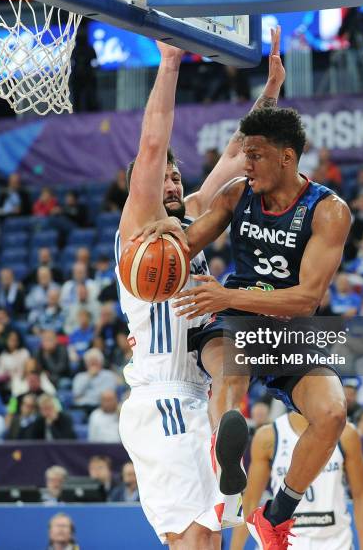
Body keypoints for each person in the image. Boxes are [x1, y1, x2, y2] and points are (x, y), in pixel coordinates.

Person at [137, 100, 353, 546]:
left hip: (286, 322)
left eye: (254, 154)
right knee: (230, 379)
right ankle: (227, 485)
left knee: (332, 414)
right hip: (233, 319)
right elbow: (189, 240)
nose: (246, 162)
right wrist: (160, 235)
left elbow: (307, 299)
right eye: (246, 154)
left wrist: (227, 294)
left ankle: (275, 515)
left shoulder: (328, 211)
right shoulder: (237, 193)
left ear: (286, 157)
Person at [116, 31, 286, 549]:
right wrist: (169, 63)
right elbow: (152, 140)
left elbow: (240, 152)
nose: (170, 183)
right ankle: (225, 455)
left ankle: (226, 452)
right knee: (192, 542)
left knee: (206, 541)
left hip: (195, 395)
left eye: (175, 176)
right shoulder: (139, 227)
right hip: (162, 398)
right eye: (161, 178)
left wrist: (273, 85)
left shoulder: (190, 216)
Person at [230, 412, 363, 550]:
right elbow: (250, 501)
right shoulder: (269, 436)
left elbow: (360, 496)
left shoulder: (346, 434)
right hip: (282, 540)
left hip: (335, 541)